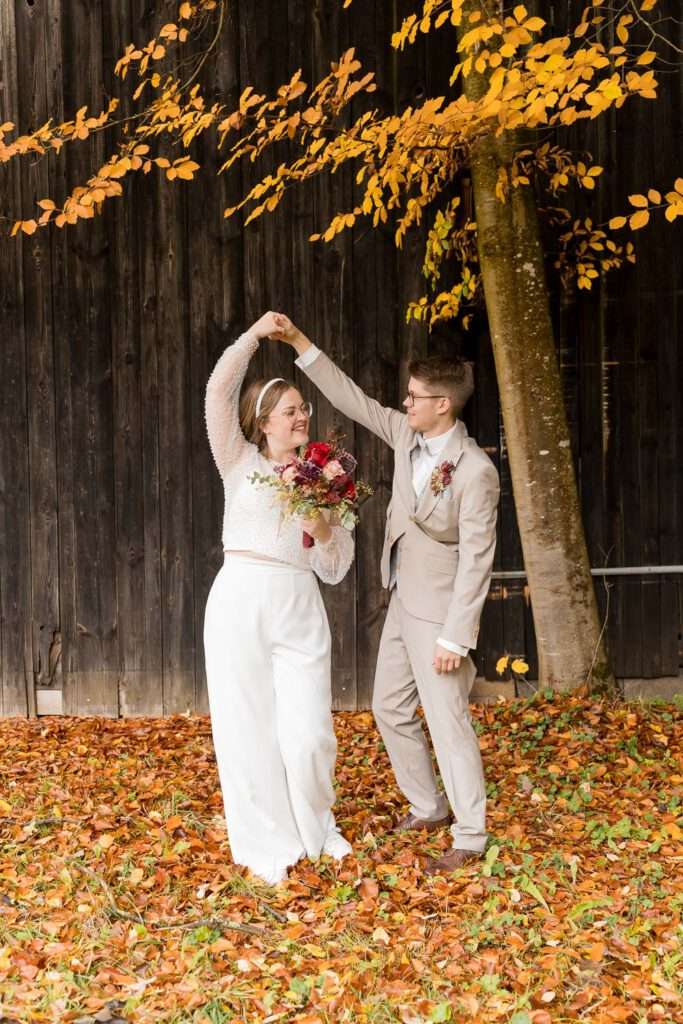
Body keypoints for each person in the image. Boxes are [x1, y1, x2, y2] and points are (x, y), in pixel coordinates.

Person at [273, 316, 500, 874]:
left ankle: (470, 835)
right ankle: (429, 805)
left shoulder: (475, 472)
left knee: (448, 720)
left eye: (416, 396)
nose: (405, 402)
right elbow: (354, 400)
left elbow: (478, 559)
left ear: (443, 405)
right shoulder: (407, 434)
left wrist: (456, 635)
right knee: (389, 707)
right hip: (401, 594)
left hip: (441, 612)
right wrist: (302, 343)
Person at [203, 311, 354, 885]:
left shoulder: (329, 476)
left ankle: (318, 828)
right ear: (265, 421)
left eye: (304, 409)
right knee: (246, 728)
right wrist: (255, 336)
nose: (302, 416)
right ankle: (268, 841)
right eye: (292, 410)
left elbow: (336, 568)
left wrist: (320, 523)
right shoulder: (238, 463)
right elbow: (219, 389)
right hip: (240, 598)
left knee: (309, 733)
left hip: (298, 604)